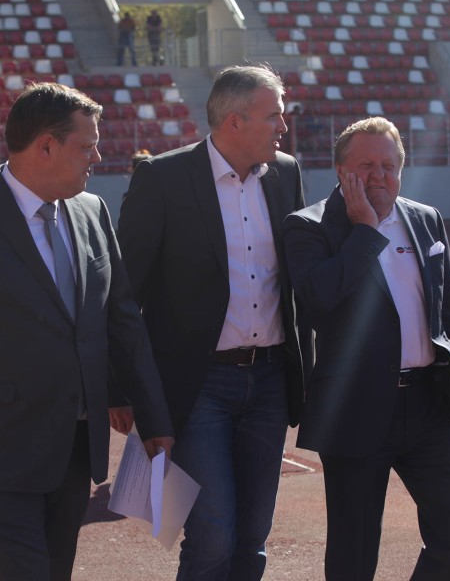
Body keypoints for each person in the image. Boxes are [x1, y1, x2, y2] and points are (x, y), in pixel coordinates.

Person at [0, 82, 174, 581]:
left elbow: (122, 321)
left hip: (73, 450)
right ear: (46, 145)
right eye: (86, 146)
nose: (97, 156)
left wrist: (155, 421)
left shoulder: (92, 211)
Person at [116, 64, 309, 581]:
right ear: (235, 121)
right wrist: (121, 388)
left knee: (252, 538)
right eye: (274, 116)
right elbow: (122, 292)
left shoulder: (287, 174)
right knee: (213, 536)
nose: (283, 127)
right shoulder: (163, 179)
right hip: (200, 386)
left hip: (269, 382)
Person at [282, 116, 450, 580]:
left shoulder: (424, 218)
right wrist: (364, 232)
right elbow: (318, 301)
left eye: (388, 165)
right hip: (355, 410)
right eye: (365, 165)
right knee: (354, 552)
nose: (379, 175)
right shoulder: (307, 227)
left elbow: (448, 311)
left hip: (428, 406)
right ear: (339, 170)